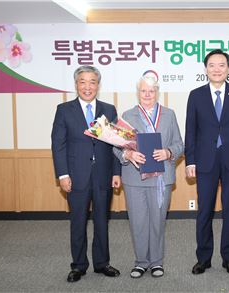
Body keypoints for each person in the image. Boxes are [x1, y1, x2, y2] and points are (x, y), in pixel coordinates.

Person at [185, 49, 229, 275]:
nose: (217, 69)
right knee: (204, 211)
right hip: (205, 161)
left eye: (221, 65)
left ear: (228, 69)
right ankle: (203, 258)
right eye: (212, 65)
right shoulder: (195, 95)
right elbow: (190, 130)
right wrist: (190, 160)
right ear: (206, 69)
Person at [51, 65, 122, 282]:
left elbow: (116, 145)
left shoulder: (108, 110)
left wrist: (116, 172)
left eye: (92, 82)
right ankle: (79, 265)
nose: (87, 86)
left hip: (103, 175)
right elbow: (58, 145)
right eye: (83, 81)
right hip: (76, 176)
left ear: (98, 85)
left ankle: (102, 263)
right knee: (78, 221)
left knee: (102, 221)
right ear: (76, 84)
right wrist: (63, 175)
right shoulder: (64, 110)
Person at [114, 76, 183, 279]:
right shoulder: (127, 115)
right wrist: (128, 154)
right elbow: (117, 148)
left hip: (162, 178)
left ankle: (156, 262)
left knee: (157, 221)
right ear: (138, 93)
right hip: (135, 178)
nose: (147, 95)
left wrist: (169, 152)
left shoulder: (169, 115)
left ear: (157, 93)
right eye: (143, 91)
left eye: (151, 91)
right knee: (138, 221)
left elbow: (180, 145)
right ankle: (141, 262)